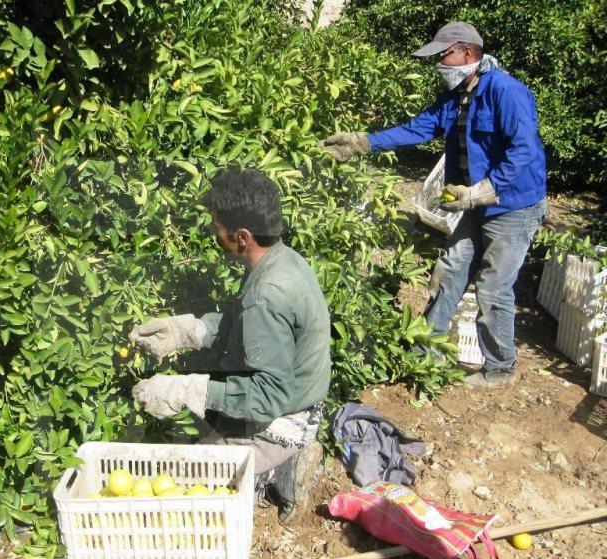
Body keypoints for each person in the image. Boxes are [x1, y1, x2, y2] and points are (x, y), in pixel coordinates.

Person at [319, 22, 547, 389]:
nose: (440, 63)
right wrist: (364, 142)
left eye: (445, 55)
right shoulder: (458, 94)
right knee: (450, 271)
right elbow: (418, 128)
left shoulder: (506, 92)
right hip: (476, 205)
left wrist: (483, 191)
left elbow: (524, 151)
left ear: (469, 53)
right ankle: (427, 352)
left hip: (512, 207)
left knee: (493, 287)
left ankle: (500, 368)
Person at [130, 169, 331, 523]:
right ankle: (271, 462)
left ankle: (281, 465)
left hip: (284, 416)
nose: (213, 233)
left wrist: (186, 389)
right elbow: (255, 329)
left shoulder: (266, 293)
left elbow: (267, 398)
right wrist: (189, 331)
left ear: (242, 237)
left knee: (184, 491)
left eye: (217, 228)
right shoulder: (282, 260)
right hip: (297, 396)